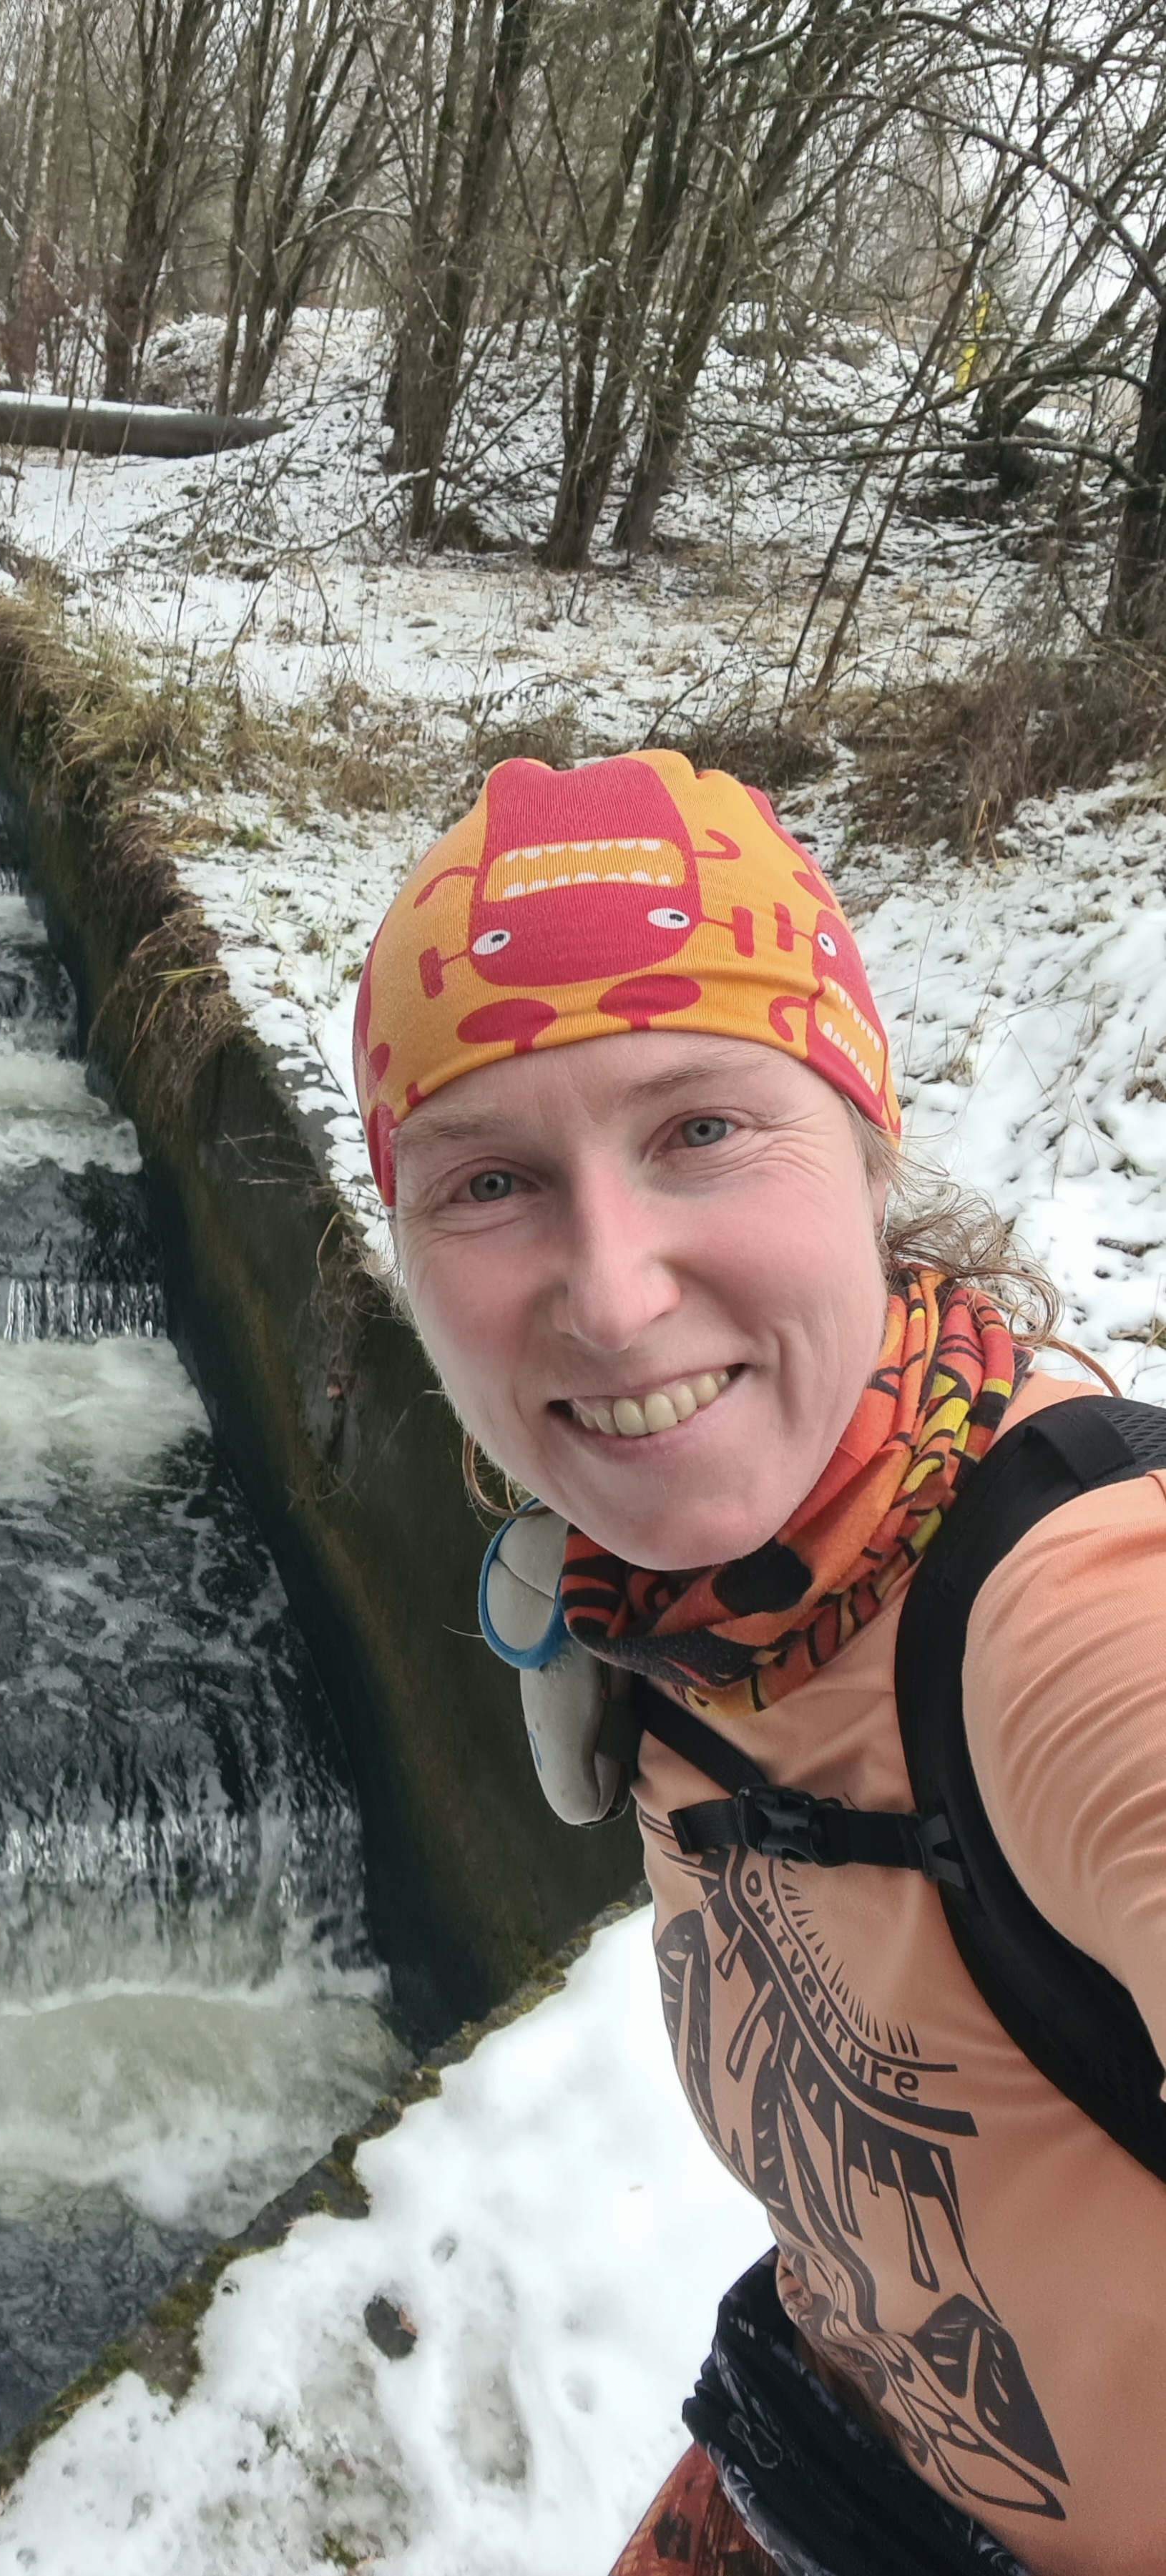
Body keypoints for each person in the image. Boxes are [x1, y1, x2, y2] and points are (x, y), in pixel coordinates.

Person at [352, 749, 1166, 2576]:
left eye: (702, 1129)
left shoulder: (1075, 1618)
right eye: (490, 1179)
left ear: (866, 1148)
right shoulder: (663, 1598)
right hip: (816, 2439)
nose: (612, 1291)